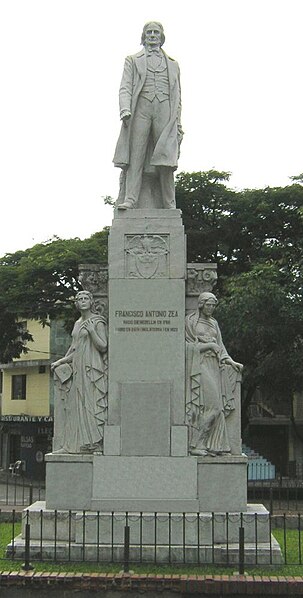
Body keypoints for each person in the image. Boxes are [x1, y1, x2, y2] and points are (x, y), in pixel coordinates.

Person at [113, 21, 183, 210]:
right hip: (140, 110)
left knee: (165, 158)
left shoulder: (173, 65)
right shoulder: (133, 60)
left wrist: (178, 124)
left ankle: (169, 203)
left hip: (165, 111)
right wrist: (124, 109)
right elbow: (125, 87)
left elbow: (178, 97)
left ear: (162, 36)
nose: (152, 35)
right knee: (136, 156)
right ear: (144, 36)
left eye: (156, 32)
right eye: (149, 32)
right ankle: (130, 199)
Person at [185, 292, 243, 456]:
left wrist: (231, 362)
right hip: (199, 364)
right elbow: (186, 347)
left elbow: (221, 347)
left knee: (217, 408)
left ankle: (209, 445)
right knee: (214, 406)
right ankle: (196, 443)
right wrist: (209, 345)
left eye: (213, 305)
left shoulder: (214, 323)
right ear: (201, 304)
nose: (211, 308)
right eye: (208, 304)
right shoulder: (190, 322)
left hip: (215, 366)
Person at [51, 290, 108, 454]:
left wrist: (91, 331)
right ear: (76, 303)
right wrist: (61, 361)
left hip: (92, 367)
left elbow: (103, 346)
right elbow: (73, 348)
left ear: (91, 302)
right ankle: (73, 445)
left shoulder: (97, 322)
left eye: (85, 298)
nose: (82, 301)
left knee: (91, 404)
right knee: (75, 406)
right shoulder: (77, 323)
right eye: (79, 299)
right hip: (78, 367)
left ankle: (94, 443)